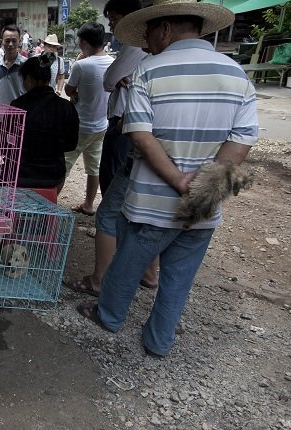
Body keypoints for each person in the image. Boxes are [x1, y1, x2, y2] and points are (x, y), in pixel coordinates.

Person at [77, 0, 257, 358]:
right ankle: (159, 341)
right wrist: (203, 183)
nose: (146, 42)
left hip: (150, 202)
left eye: (149, 33)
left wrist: (178, 180)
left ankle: (109, 316)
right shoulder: (237, 74)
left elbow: (140, 135)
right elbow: (243, 139)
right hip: (203, 205)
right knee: (178, 279)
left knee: (126, 266)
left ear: (165, 28)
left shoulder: (150, 71)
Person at [68, 0, 157, 297]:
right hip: (116, 128)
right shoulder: (146, 54)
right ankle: (148, 270)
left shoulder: (134, 47)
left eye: (115, 19)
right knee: (141, 200)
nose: (113, 27)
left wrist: (121, 81)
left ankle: (101, 279)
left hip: (123, 128)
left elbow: (108, 82)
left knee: (113, 200)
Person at [61, 22, 114, 213]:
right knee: (94, 167)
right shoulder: (112, 63)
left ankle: (50, 203)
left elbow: (68, 90)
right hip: (102, 126)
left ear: (84, 42)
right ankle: (89, 205)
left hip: (80, 126)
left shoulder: (81, 65)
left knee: (63, 165)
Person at [11, 55, 79, 189]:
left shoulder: (17, 106)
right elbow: (71, 145)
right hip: (53, 176)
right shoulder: (66, 107)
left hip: (21, 175)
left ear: (29, 79)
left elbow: (8, 145)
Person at [0, 24, 27, 105]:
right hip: (1, 115)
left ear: (19, 41)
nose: (10, 44)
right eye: (7, 41)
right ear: (1, 41)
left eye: (14, 41)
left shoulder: (27, 65)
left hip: (22, 114)